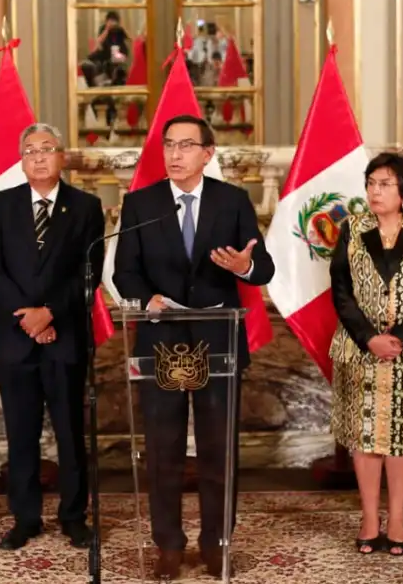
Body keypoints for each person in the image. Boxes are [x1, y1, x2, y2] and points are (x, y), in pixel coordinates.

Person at [112, 114, 275, 579]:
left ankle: (216, 542)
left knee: (217, 449)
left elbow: (262, 268)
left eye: (186, 146)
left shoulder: (234, 202)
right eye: (169, 145)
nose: (176, 154)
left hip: (216, 342)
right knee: (162, 449)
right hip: (160, 341)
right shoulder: (142, 204)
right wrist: (147, 298)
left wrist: (244, 266)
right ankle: (168, 545)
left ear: (208, 153)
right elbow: (126, 270)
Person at [0, 123, 104, 550]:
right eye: (29, 150)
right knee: (21, 432)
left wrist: (50, 312)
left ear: (62, 157)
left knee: (70, 433)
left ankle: (73, 516)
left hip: (65, 336)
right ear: (21, 160)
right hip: (15, 340)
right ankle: (26, 518)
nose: (37, 157)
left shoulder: (86, 207)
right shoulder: (2, 204)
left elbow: (89, 275)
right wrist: (27, 320)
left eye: (47, 149)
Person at [329, 152, 403, 556]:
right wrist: (369, 338)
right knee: (365, 436)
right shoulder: (352, 228)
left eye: (384, 184)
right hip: (358, 349)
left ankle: (396, 517)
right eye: (371, 183)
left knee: (400, 434)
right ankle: (368, 518)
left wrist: (400, 337)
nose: (374, 191)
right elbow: (341, 290)